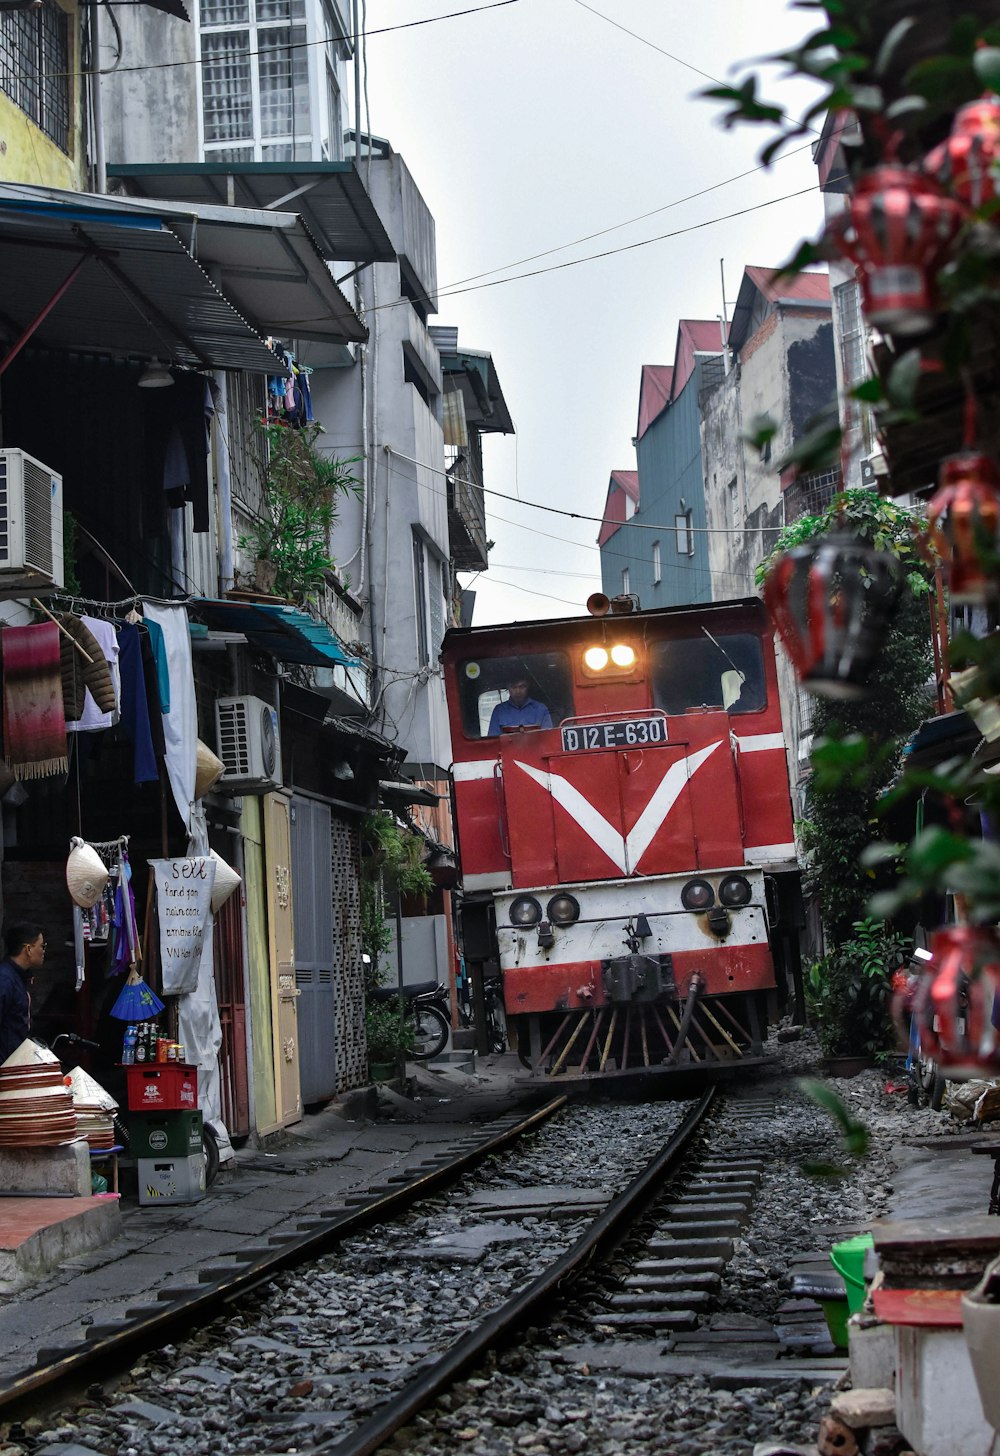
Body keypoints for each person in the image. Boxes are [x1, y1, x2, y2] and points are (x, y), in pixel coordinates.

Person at [0, 923, 45, 1065]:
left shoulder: (18, 977)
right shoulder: (5, 980)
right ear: (28, 949)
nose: (43, 951)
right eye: (42, 946)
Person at [488, 673, 552, 735]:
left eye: (522, 687)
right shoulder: (499, 711)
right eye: (513, 687)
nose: (518, 691)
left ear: (528, 687)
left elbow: (548, 737)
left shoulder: (541, 709)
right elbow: (493, 740)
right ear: (508, 688)